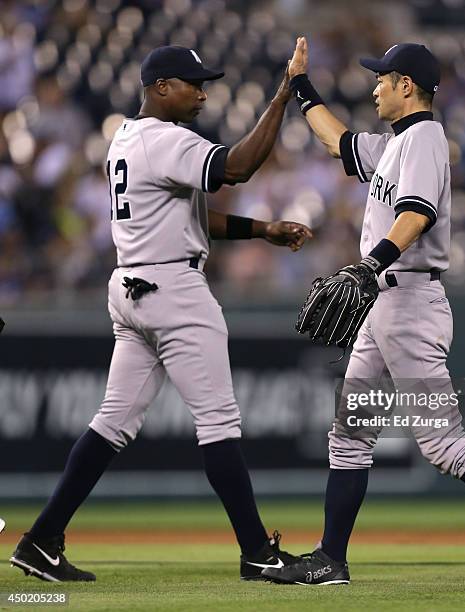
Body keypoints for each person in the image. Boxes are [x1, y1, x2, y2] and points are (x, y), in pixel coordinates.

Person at [262, 37, 465, 587]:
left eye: (383, 77)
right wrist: (301, 87)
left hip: (407, 302)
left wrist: (368, 265)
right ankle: (332, 558)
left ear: (407, 86)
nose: (375, 85)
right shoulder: (396, 143)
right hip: (387, 302)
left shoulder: (426, 139)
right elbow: (338, 142)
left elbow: (417, 214)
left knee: (440, 443)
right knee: (350, 432)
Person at [10, 45, 312, 582]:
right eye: (191, 82)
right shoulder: (169, 139)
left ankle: (41, 541)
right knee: (219, 423)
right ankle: (257, 553)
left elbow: (189, 214)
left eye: (204, 82)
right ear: (159, 87)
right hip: (174, 287)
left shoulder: (126, 138)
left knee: (112, 422)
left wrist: (261, 230)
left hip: (131, 284)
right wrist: (284, 94)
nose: (202, 91)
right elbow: (238, 167)